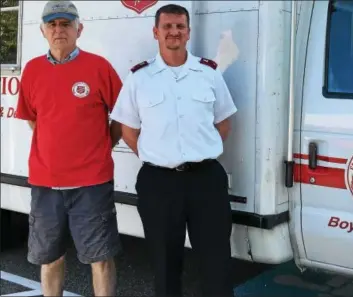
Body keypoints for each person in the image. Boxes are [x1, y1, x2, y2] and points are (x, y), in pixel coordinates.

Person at [110, 3, 238, 297]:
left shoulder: (209, 74)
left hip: (206, 180)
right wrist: (156, 155)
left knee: (216, 262)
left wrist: (199, 151)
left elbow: (224, 123)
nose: (174, 32)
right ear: (156, 32)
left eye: (180, 26)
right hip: (159, 183)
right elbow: (128, 130)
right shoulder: (139, 78)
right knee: (165, 264)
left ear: (188, 32)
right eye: (167, 27)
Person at [15, 1, 123, 296]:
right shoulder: (33, 70)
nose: (59, 30)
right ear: (43, 31)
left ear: (79, 29)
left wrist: (101, 146)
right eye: (52, 24)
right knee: (50, 259)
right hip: (46, 184)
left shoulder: (99, 67)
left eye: (66, 24)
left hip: (92, 184)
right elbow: (33, 119)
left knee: (100, 258)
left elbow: (123, 116)